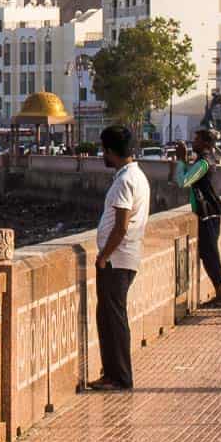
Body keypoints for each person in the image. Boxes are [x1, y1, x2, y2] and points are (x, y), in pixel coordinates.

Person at [90, 124, 151, 391]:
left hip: (117, 259)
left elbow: (121, 225)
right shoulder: (135, 176)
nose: (101, 154)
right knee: (110, 316)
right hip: (124, 257)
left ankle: (119, 377)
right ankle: (114, 374)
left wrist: (104, 256)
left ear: (111, 151)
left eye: (103, 149)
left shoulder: (125, 181)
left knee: (113, 318)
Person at [173, 130, 221, 308]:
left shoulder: (204, 162)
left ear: (205, 144)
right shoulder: (204, 159)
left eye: (196, 139)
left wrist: (181, 159)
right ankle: (219, 295)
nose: (193, 142)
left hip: (208, 212)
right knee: (207, 253)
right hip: (207, 211)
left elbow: (183, 181)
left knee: (210, 253)